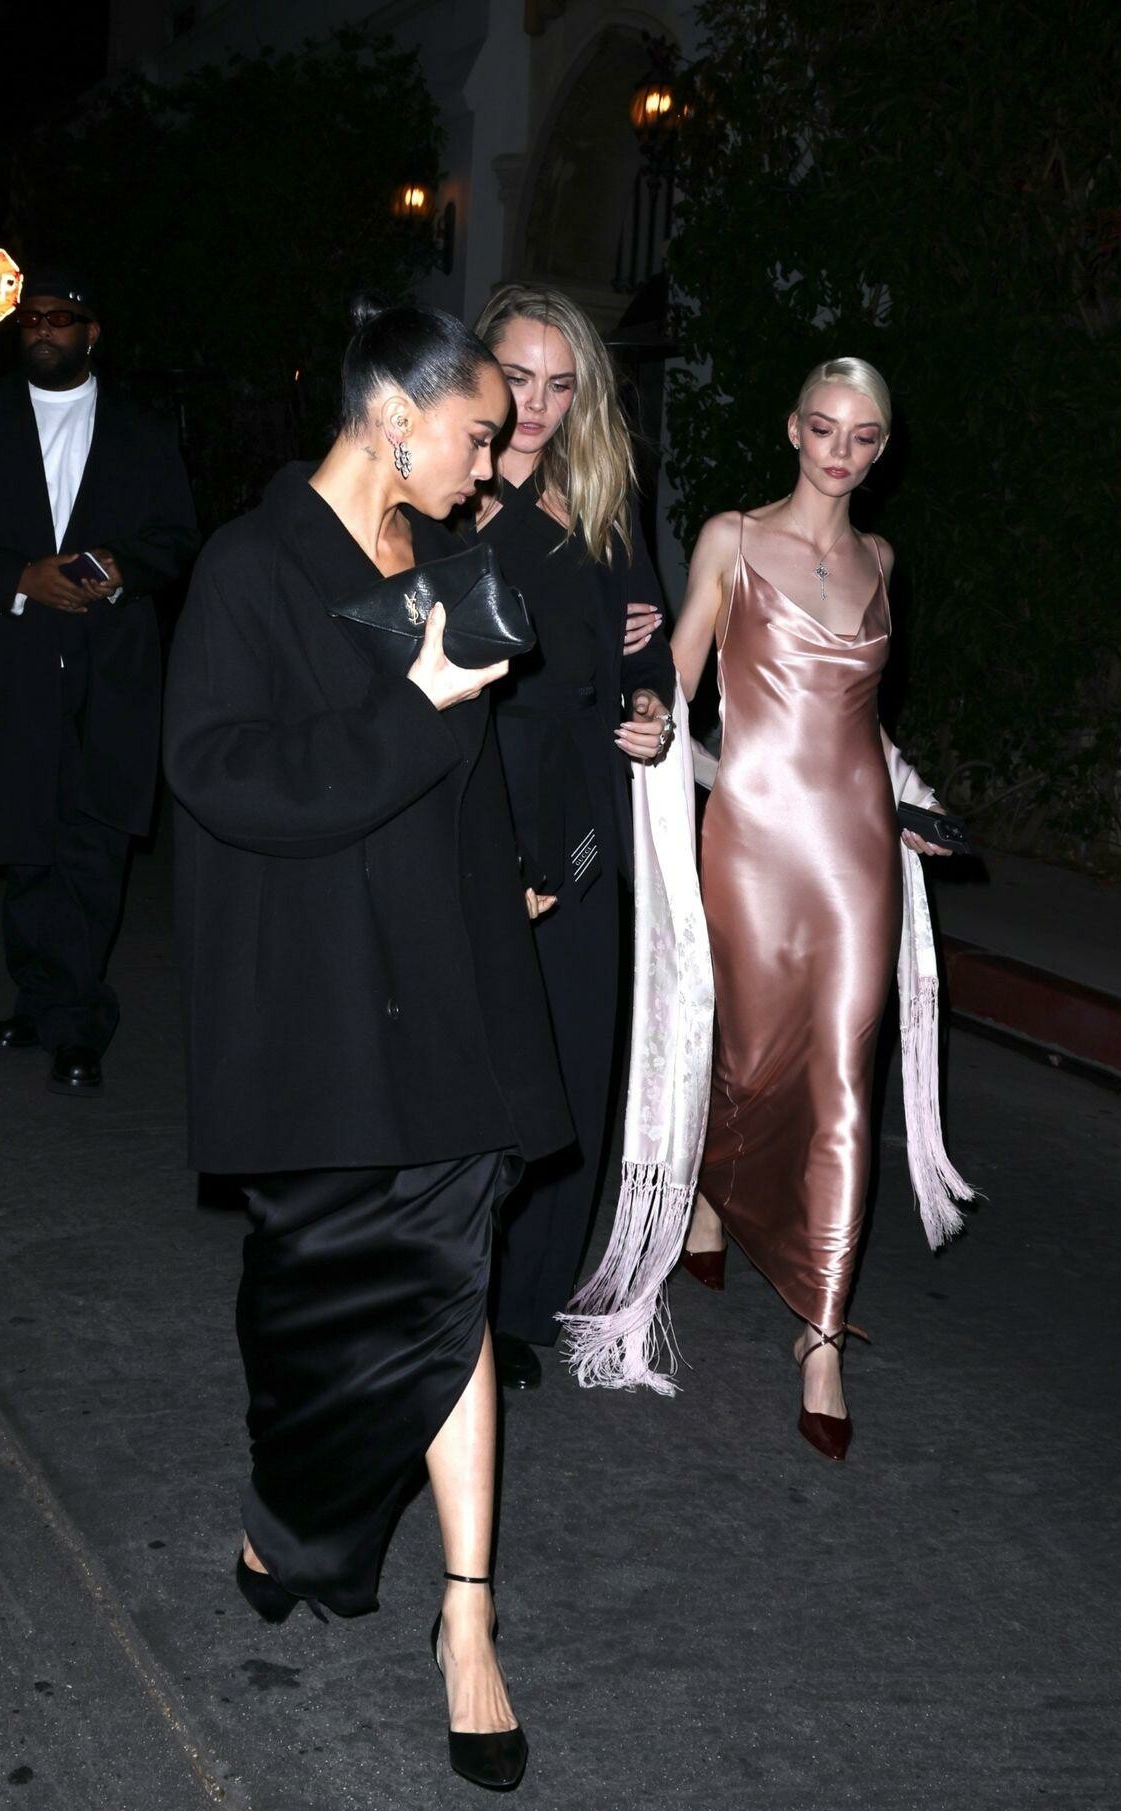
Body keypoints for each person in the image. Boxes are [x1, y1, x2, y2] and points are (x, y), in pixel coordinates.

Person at [162, 300, 571, 1792]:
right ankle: (290, 1516)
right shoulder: (250, 569)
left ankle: (468, 1620)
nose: (491, 466)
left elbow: (471, 777)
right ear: (396, 417)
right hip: (316, 1016)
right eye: (477, 434)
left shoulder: (444, 561)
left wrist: (519, 866)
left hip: (444, 998)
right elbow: (223, 779)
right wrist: (412, 704)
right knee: (312, 1313)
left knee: (450, 1287)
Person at [671, 357, 966, 1460]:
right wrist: (705, 770)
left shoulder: (882, 562)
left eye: (864, 435)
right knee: (748, 1058)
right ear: (792, 429)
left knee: (844, 1075)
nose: (841, 451)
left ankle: (822, 1332)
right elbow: (677, 695)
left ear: (881, 449)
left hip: (855, 856)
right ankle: (715, 1187)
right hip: (750, 844)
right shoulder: (731, 540)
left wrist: (911, 801)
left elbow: (859, 722)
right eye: (824, 428)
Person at [0, 269, 198, 1095]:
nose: (42, 330)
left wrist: (120, 568)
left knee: (95, 835)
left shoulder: (143, 431)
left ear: (91, 332)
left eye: (61, 318)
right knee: (28, 834)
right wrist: (18, 578)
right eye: (31, 318)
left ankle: (78, 1022)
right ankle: (39, 1001)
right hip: (13, 657)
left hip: (115, 663)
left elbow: (177, 537)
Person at [463, 283, 676, 1393]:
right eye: (517, 378)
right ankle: (456, 1296)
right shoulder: (447, 484)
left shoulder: (600, 489)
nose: (537, 404)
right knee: (481, 1052)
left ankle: (526, 1301)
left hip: (583, 802)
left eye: (560, 383)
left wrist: (648, 703)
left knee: (574, 1049)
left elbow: (644, 642)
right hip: (479, 789)